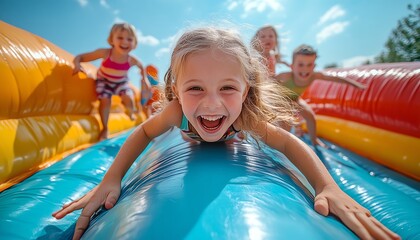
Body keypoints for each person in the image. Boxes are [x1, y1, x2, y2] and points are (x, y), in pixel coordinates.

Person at [53, 27, 399, 240]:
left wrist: (327, 187)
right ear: (175, 88)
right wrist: (110, 180)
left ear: (247, 89)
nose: (212, 104)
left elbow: (288, 143)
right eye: (196, 89)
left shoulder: (245, 116)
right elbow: (143, 133)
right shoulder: (176, 113)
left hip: (238, 138)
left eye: (228, 88)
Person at [275, 44, 366, 147]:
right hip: (281, 99)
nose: (305, 69)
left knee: (310, 117)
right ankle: (280, 143)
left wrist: (356, 84)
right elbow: (270, 82)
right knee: (285, 121)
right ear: (292, 67)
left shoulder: (314, 76)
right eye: (301, 65)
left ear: (314, 66)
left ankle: (314, 140)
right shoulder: (285, 76)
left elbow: (335, 79)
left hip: (295, 99)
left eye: (309, 65)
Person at [72, 22, 151, 140]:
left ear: (134, 43)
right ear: (111, 40)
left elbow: (141, 66)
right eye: (120, 38)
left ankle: (130, 110)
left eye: (129, 39)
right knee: (105, 100)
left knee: (129, 98)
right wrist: (77, 64)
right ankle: (105, 128)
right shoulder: (104, 53)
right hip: (104, 81)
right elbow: (80, 57)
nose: (124, 42)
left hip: (121, 82)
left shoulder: (131, 60)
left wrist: (145, 79)